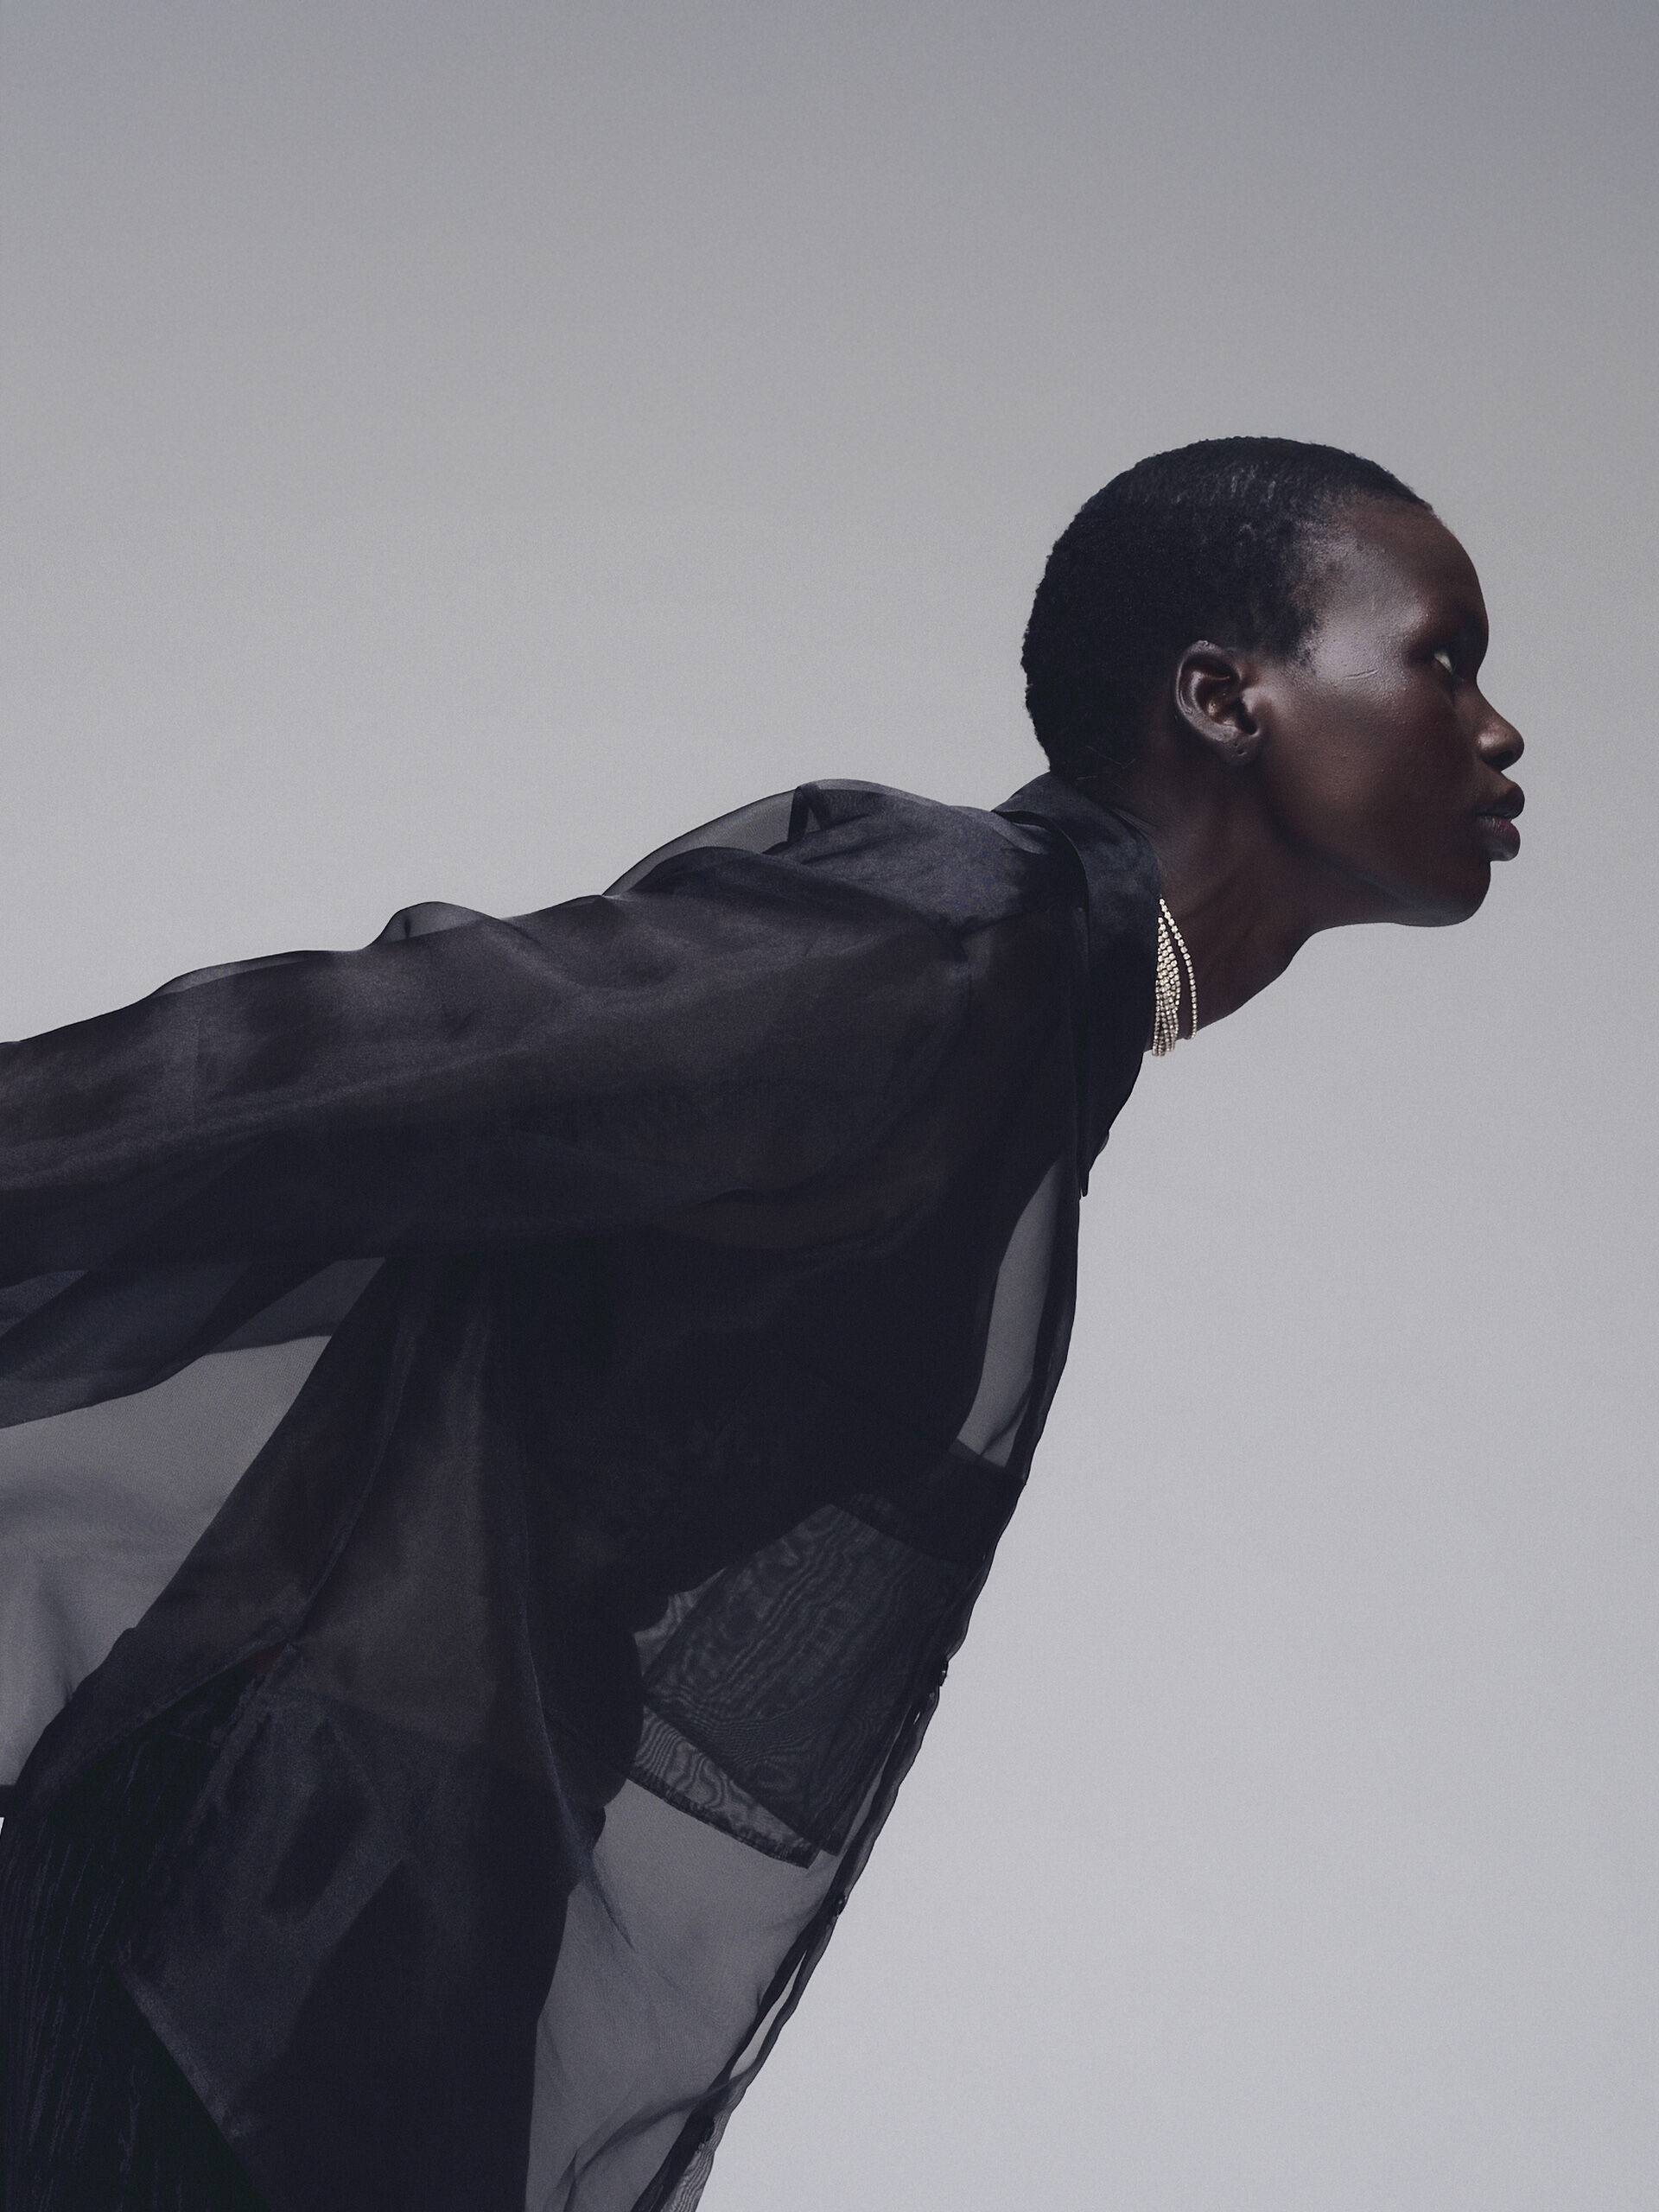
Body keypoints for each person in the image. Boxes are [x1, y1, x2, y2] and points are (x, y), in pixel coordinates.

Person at [0, 436, 1524, 2212]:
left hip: (414, 1854)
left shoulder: (1041, 1012)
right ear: (1222, 695)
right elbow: (360, 1064)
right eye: (1444, 658)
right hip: (272, 1889)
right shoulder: (947, 947)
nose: (1498, 730)